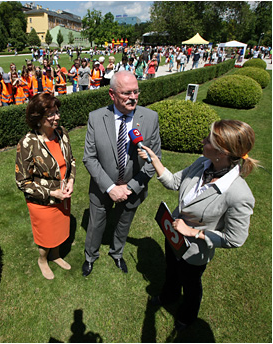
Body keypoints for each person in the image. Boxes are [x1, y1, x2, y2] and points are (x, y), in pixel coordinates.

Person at [138, 120, 257, 332]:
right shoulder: (201, 163)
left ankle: (187, 315)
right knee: (171, 271)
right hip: (173, 237)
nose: (203, 141)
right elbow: (174, 182)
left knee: (191, 285)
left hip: (195, 252)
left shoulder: (239, 194)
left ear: (223, 152)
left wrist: (194, 232)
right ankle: (169, 295)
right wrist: (154, 159)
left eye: (208, 140)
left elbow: (235, 239)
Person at [82, 71, 161, 277]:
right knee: (96, 224)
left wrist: (131, 187)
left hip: (133, 187)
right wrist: (110, 187)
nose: (133, 97)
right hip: (102, 187)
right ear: (112, 94)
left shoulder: (150, 118)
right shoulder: (96, 117)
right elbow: (89, 158)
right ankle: (90, 256)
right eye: (126, 93)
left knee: (123, 223)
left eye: (136, 92)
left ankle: (117, 253)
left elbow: (154, 160)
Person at [15, 93, 76, 280]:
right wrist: (51, 192)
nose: (56, 117)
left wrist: (71, 180)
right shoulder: (27, 143)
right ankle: (42, 259)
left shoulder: (62, 133)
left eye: (57, 112)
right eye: (51, 114)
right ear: (38, 118)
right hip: (42, 201)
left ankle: (56, 255)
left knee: (59, 230)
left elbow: (71, 161)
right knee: (46, 236)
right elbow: (22, 181)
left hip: (63, 195)